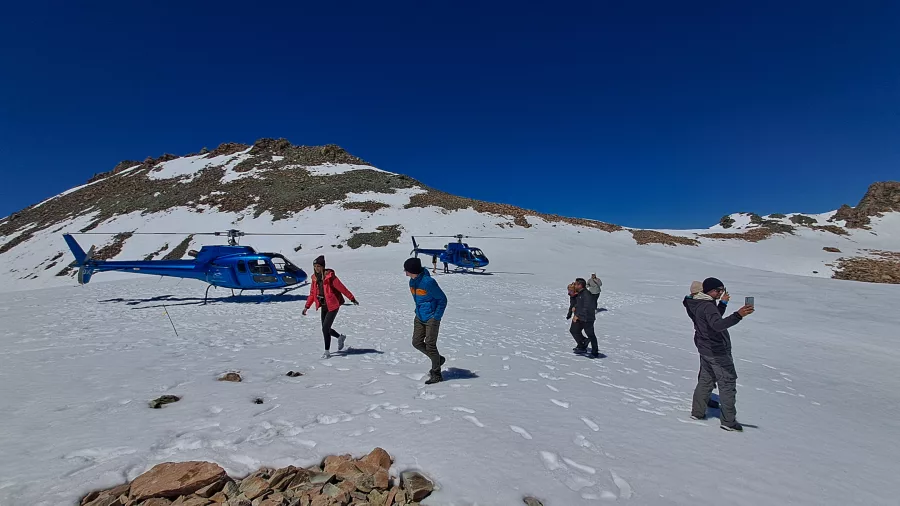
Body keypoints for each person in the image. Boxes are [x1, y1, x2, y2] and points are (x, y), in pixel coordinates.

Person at [684, 277, 754, 431]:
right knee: (727, 383)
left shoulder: (696, 303)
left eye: (722, 290)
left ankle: (697, 412)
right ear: (707, 291)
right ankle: (728, 422)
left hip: (705, 348)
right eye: (718, 290)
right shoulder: (707, 306)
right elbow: (717, 324)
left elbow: (712, 318)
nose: (720, 292)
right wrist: (738, 315)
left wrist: (722, 303)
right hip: (716, 351)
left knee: (706, 380)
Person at [302, 255, 358, 358]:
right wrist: (307, 306)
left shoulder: (330, 277)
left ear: (323, 266)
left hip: (333, 305)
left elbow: (342, 288)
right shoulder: (314, 279)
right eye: (315, 266)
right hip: (323, 305)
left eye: (319, 266)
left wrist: (352, 298)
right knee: (325, 328)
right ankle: (340, 337)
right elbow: (312, 294)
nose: (316, 268)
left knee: (325, 328)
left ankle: (327, 352)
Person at [404, 257, 448, 384]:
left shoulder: (428, 282)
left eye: (407, 270)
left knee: (430, 344)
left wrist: (436, 317)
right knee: (416, 342)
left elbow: (442, 300)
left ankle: (436, 373)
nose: (405, 273)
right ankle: (438, 359)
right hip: (419, 316)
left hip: (431, 318)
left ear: (413, 271)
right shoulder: (412, 282)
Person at [567, 278, 602, 358]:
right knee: (574, 330)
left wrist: (577, 315)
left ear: (580, 285)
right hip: (580, 317)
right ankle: (583, 344)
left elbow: (587, 307)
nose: (574, 285)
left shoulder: (587, 294)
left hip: (587, 319)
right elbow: (579, 304)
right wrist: (575, 307)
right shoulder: (580, 293)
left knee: (591, 335)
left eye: (576, 284)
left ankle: (594, 352)